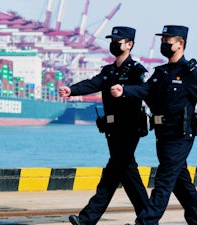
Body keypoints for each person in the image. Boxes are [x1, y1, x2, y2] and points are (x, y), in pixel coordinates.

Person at [110, 25, 197, 225]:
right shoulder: (161, 72)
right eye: (162, 41)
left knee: (163, 181)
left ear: (180, 44)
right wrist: (124, 90)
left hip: (180, 136)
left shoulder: (191, 73)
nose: (163, 45)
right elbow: (145, 90)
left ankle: (145, 222)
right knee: (181, 184)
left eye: (167, 42)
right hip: (162, 135)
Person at [59, 26, 149, 225]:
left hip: (130, 128)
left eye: (118, 41)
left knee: (113, 171)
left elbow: (146, 89)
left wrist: (125, 90)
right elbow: (93, 83)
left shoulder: (137, 70)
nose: (113, 44)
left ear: (129, 45)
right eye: (112, 41)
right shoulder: (108, 71)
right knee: (126, 172)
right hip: (112, 129)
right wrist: (71, 90)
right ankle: (147, 217)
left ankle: (87, 219)